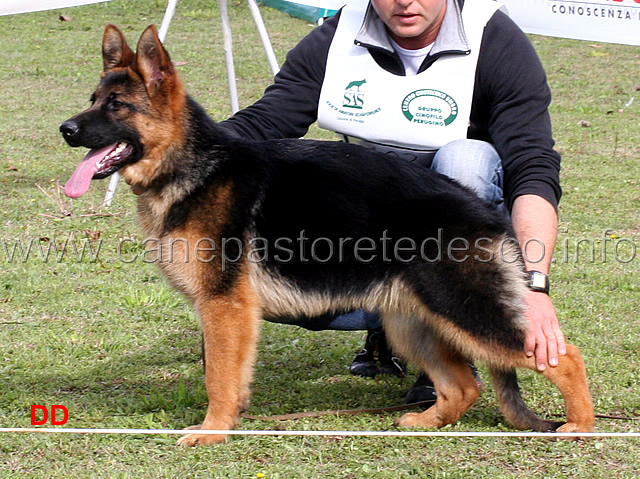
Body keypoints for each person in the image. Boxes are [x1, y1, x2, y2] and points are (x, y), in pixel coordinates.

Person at [218, 0, 565, 403]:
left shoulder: (496, 40)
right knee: (277, 279)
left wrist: (533, 286)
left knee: (466, 160)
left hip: (457, 233)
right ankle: (394, 325)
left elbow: (532, 166)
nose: (404, 2)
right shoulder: (338, 35)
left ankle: (452, 347)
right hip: (376, 226)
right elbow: (265, 122)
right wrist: (184, 154)